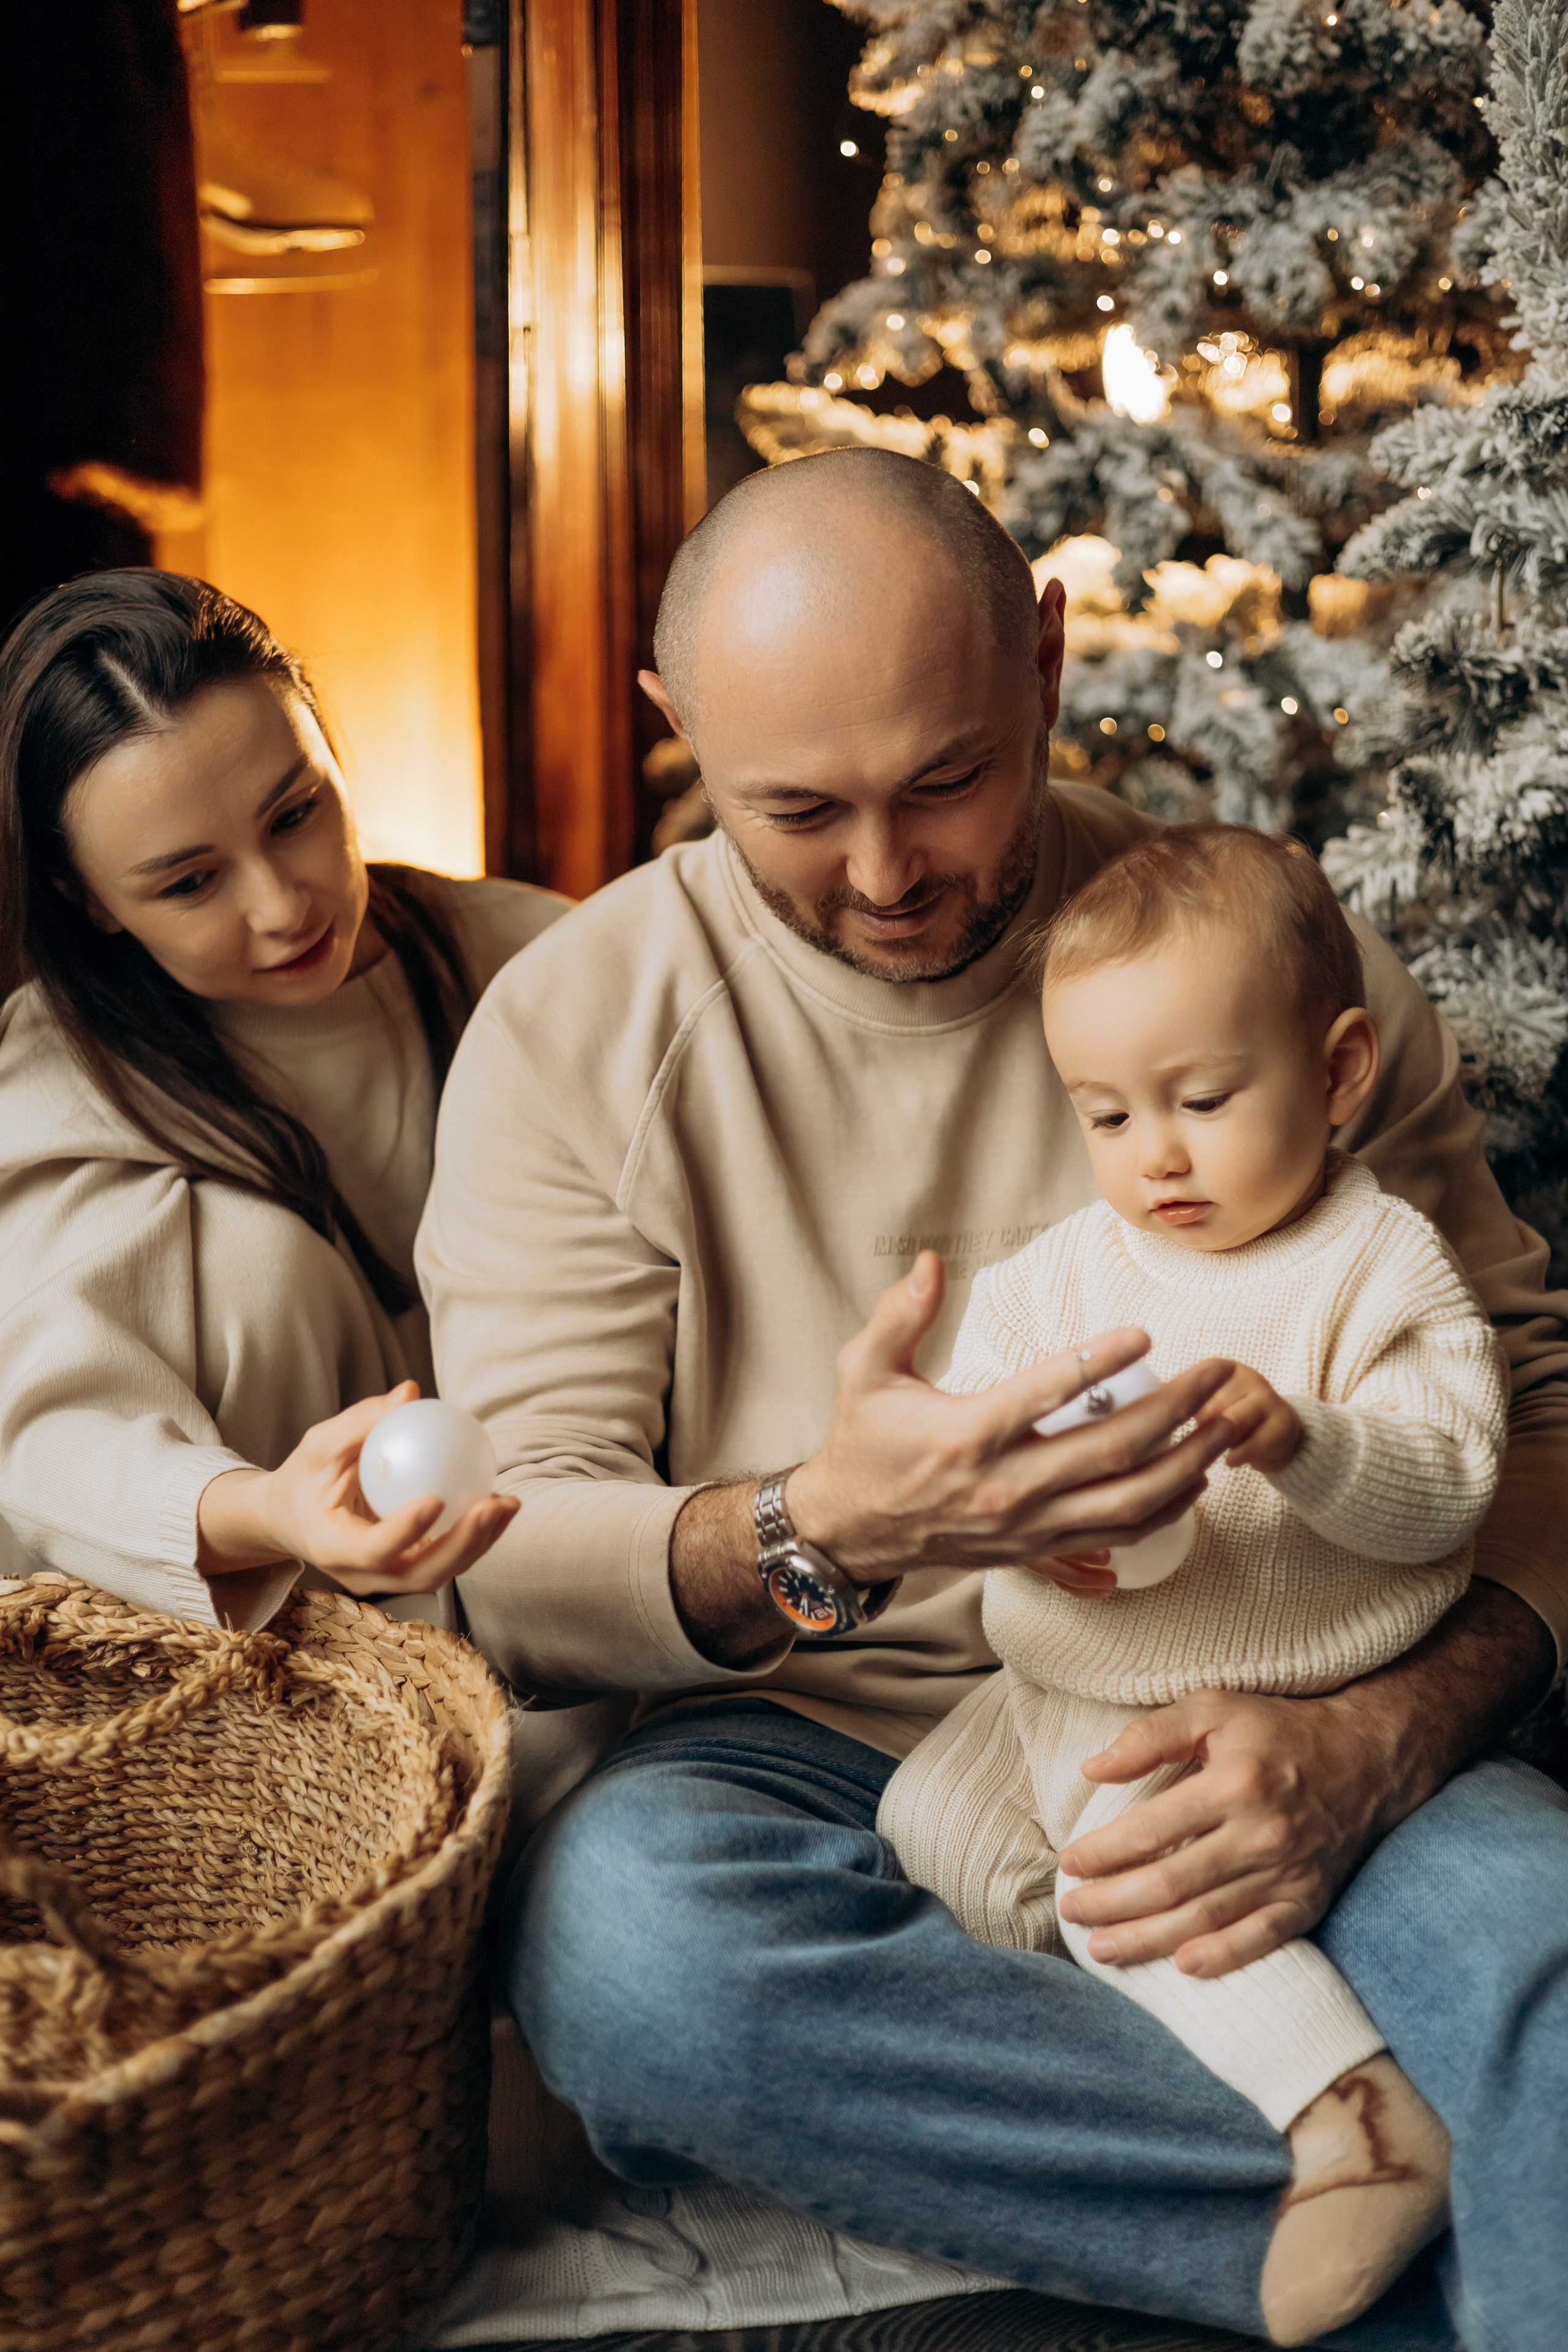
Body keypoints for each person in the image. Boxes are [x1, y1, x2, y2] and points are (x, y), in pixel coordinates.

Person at [418, 450, 1568, 2351]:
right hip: (811, 1748)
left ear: (1045, 662)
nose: (886, 875)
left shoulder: (1277, 973)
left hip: (1276, 1697)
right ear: (676, 727)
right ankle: (1437, 2201)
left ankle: (1396, 2167)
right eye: (796, 807)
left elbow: (1531, 1413)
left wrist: (1391, 1729)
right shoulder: (578, 1032)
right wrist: (826, 1527)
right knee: (625, 1951)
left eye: (947, 780)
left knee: (1535, 1938)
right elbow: (511, 1562)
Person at [878, 823, 1507, 2343]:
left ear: (1339, 1069)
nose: (1151, 1155)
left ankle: (1349, 2118)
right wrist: (1030, 1520)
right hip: (1068, 1670)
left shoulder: (1377, 1269)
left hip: (1295, 1683)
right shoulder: (1058, 1279)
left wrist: (1308, 1445)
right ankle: (1228, 2022)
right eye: (1102, 1114)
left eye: (1201, 1101)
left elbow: (1445, 1490)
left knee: (1117, 1893)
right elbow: (973, 1450)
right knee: (925, 1835)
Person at [0, 569, 567, 1627]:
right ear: (91, 902)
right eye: (190, 882)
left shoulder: (533, 960)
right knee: (259, 1265)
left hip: (570, 1579)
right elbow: (50, 1437)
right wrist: (271, 1510)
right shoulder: (55, 1087)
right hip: (278, 1664)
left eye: (296, 814)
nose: (281, 903)